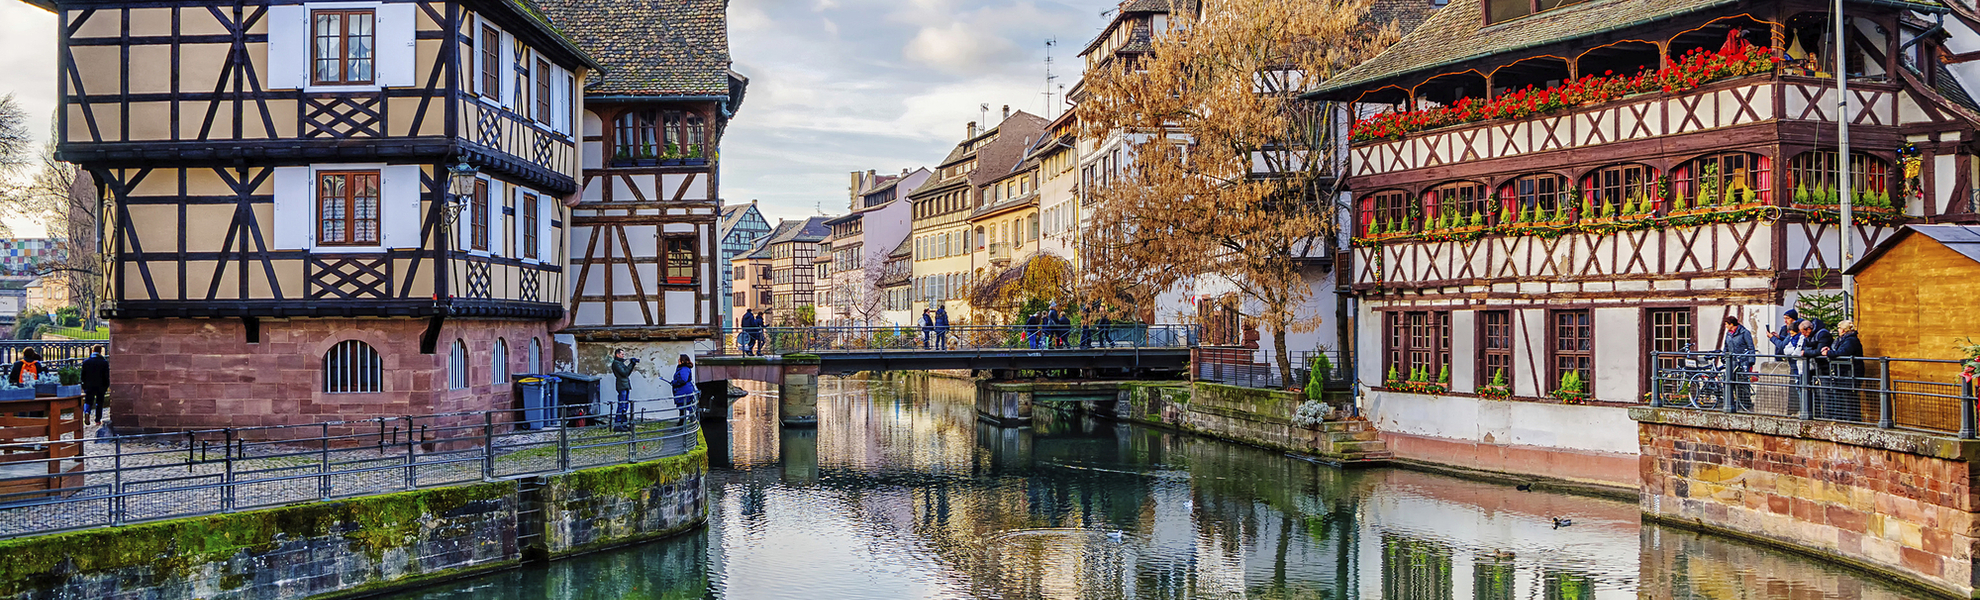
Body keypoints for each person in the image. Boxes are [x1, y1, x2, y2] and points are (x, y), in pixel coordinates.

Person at [1820, 320, 1865, 422]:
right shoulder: (1843, 339)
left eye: (1839, 328)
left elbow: (1844, 352)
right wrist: (1830, 350)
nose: (1838, 330)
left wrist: (1829, 353)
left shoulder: (1851, 340)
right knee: (1842, 395)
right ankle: (1843, 418)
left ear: (1844, 330)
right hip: (1843, 372)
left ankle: (1851, 419)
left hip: (1850, 373)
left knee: (1849, 397)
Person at [1722, 316, 1755, 412]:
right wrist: (1724, 356)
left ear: (1731, 324)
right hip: (1731, 362)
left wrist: (1751, 361)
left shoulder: (1744, 333)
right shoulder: (1728, 334)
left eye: (1726, 324)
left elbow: (1751, 348)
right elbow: (1726, 346)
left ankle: (1745, 404)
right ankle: (1731, 403)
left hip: (1743, 361)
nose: (1725, 326)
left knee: (1743, 383)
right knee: (1729, 381)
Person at [610, 349, 639, 431]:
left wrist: (632, 364)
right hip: (622, 386)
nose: (623, 356)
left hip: (625, 385)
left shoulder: (620, 363)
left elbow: (627, 372)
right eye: (622, 354)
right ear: (617, 354)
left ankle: (623, 424)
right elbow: (624, 373)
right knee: (621, 405)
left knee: (625, 406)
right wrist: (631, 363)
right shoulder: (616, 363)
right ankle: (618, 425)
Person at [81, 347, 109, 423]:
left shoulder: (86, 362)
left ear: (93, 351)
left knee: (88, 401)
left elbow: (82, 375)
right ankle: (97, 419)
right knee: (99, 402)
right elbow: (106, 376)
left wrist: (83, 385)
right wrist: (106, 386)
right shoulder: (104, 362)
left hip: (89, 385)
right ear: (100, 351)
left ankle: (87, 412)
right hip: (101, 385)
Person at [668, 354, 697, 422]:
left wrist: (674, 383)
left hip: (683, 391)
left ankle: (682, 425)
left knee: (683, 408)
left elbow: (683, 379)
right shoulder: (683, 368)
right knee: (683, 408)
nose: (678, 360)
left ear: (682, 361)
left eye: (679, 359)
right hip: (683, 390)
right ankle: (683, 424)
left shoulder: (684, 369)